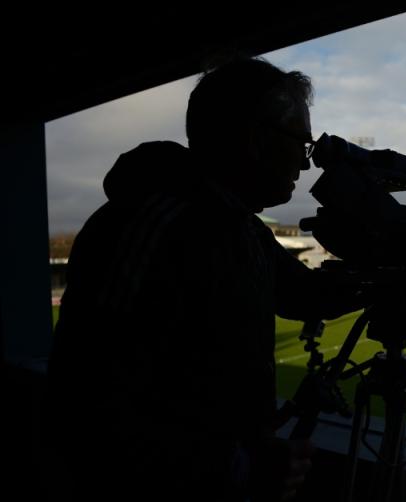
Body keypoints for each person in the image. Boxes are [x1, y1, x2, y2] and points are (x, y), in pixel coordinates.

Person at [46, 57, 363, 501]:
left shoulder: (239, 225)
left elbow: (305, 295)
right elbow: (86, 397)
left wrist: (390, 262)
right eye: (300, 143)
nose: (305, 163)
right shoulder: (154, 223)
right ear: (256, 138)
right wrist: (237, 468)